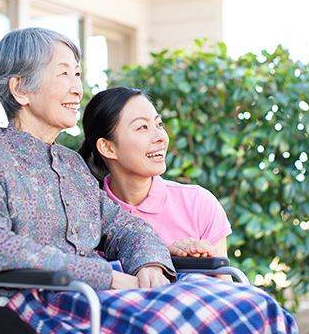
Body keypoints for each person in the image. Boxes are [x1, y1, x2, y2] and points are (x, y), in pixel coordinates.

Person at [0, 27, 298, 333]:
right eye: (63, 74)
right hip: (32, 303)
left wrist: (148, 261)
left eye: (77, 73)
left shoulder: (71, 164)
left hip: (91, 294)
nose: (77, 87)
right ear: (21, 90)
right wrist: (103, 276)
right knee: (178, 321)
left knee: (249, 303)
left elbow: (124, 226)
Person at [78, 87, 230, 261]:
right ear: (108, 148)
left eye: (159, 124)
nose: (161, 137)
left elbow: (224, 283)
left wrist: (208, 261)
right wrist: (161, 257)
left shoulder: (198, 204)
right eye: (142, 127)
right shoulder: (83, 214)